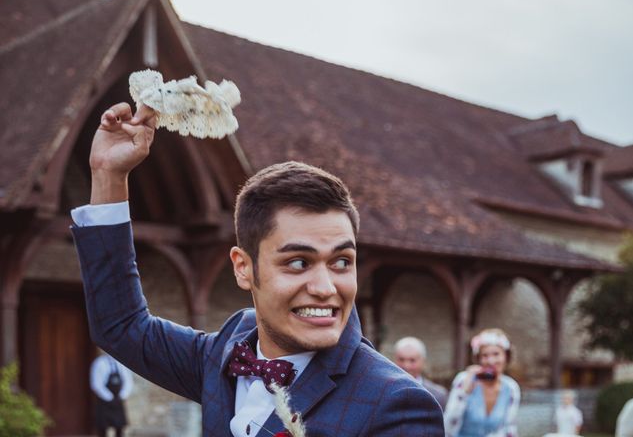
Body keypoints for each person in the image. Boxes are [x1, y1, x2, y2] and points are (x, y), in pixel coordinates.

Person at [71, 103, 444, 436]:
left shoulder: (398, 405)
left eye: (341, 262)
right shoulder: (227, 350)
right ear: (243, 268)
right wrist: (108, 175)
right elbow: (120, 326)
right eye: (299, 262)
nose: (326, 287)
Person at [443, 328, 520, 437]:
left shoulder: (511, 388)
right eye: (485, 355)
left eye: (496, 354)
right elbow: (448, 426)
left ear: (506, 356)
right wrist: (464, 392)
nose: (491, 361)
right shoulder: (463, 379)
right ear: (478, 359)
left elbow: (510, 429)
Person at [394, 336, 449, 410]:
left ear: (423, 362)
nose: (406, 366)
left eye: (412, 360)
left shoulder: (438, 395)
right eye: (401, 359)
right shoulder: (384, 392)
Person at [90, 352, 134, 437]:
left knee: (120, 427)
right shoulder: (99, 363)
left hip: (118, 399)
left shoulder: (122, 363)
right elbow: (96, 384)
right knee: (102, 427)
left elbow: (128, 381)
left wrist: (122, 395)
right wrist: (109, 397)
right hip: (104, 400)